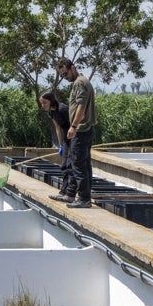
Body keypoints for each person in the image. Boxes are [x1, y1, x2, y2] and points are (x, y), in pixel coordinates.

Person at [50, 58, 96, 208]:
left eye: (65, 73)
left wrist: (74, 126)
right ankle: (72, 195)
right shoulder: (80, 82)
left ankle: (84, 199)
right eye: (62, 75)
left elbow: (81, 107)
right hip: (82, 129)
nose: (65, 77)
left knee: (78, 164)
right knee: (83, 163)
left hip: (81, 130)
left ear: (73, 68)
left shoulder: (80, 82)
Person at [38, 91, 71, 193]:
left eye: (44, 103)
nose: (43, 105)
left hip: (74, 138)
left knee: (70, 165)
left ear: (51, 100)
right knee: (64, 165)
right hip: (66, 139)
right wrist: (60, 145)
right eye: (41, 103)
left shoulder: (63, 109)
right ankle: (64, 191)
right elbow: (58, 128)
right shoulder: (52, 112)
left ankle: (68, 192)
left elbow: (75, 124)